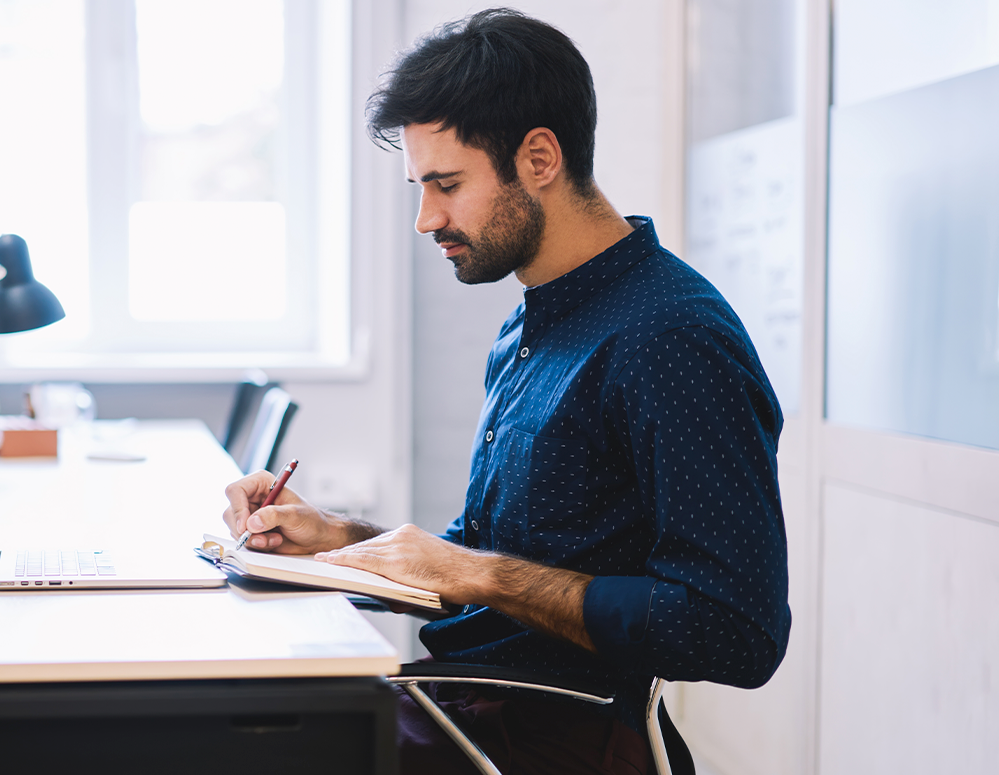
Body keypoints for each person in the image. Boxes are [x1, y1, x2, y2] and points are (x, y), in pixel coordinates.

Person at [222, 8, 791, 774]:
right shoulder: (534, 322)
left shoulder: (669, 337)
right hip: (470, 709)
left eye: (447, 184)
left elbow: (734, 631)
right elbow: (496, 554)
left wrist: (479, 573)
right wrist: (341, 540)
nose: (426, 219)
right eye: (420, 187)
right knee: (216, 715)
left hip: (549, 739)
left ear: (540, 158)